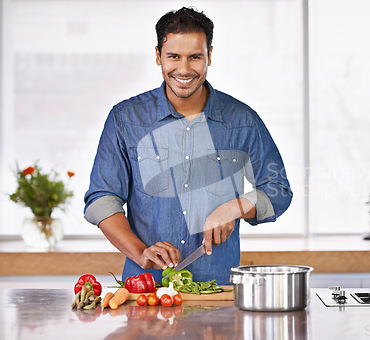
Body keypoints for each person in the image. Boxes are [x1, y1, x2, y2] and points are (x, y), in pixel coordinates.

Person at [84, 7, 292, 285]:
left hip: (217, 289)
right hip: (147, 290)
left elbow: (278, 191)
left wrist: (235, 207)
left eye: (195, 57)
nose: (184, 69)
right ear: (158, 56)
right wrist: (140, 252)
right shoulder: (125, 119)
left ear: (209, 56)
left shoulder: (242, 121)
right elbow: (102, 199)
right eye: (173, 56)